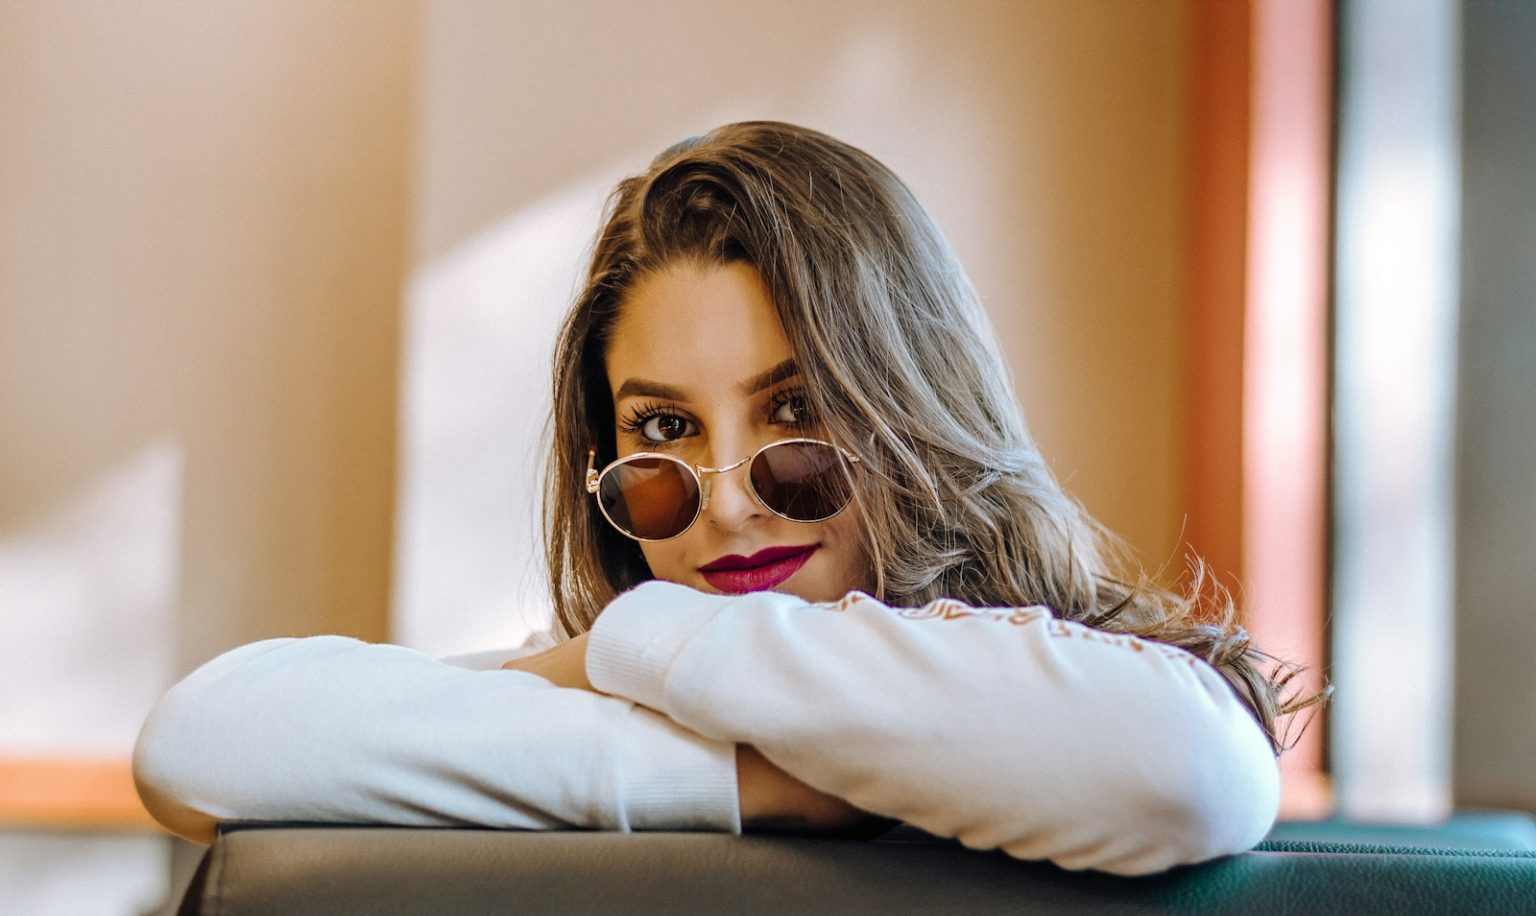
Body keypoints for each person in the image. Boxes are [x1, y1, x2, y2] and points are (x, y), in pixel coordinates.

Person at [134, 121, 1314, 875]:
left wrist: (652, 639)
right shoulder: (639, 686)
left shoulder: (1074, 683)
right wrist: (754, 781)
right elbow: (203, 741)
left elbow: (1186, 774)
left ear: (910, 413)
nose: (729, 506)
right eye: (662, 431)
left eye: (795, 417)